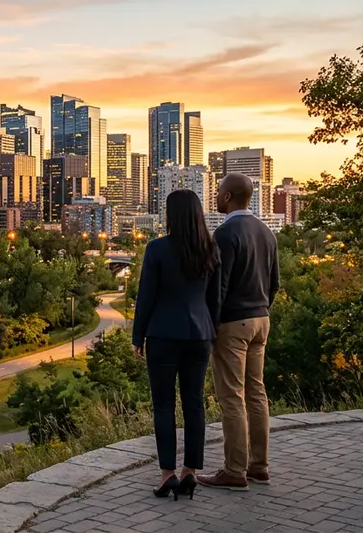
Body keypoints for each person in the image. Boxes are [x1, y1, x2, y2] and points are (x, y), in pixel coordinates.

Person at [132, 189, 220, 501]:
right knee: (195, 403)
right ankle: (191, 472)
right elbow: (214, 299)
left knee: (164, 405)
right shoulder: (210, 249)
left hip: (162, 335)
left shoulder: (157, 249)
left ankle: (167, 473)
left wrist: (137, 337)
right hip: (200, 336)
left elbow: (146, 298)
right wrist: (212, 331)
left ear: (171, 215)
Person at [198, 172, 281, 491]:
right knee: (256, 392)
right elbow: (274, 283)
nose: (215, 196)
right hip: (261, 320)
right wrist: (262, 308)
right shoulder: (267, 233)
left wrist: (210, 326)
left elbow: (218, 286)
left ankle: (235, 470)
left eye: (218, 192)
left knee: (231, 396)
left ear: (229, 196)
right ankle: (259, 466)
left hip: (233, 324)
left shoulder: (225, 233)